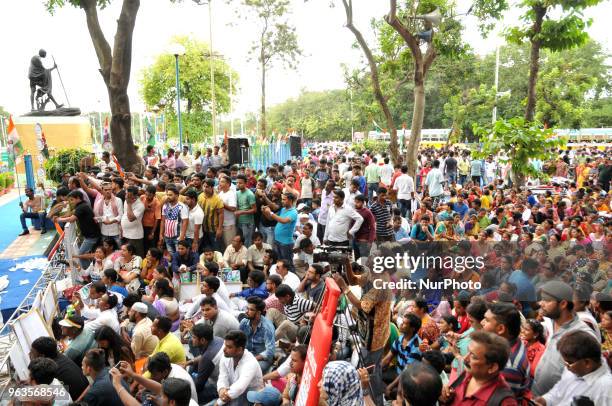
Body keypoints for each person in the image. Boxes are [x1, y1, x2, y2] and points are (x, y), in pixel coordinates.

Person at [533, 281, 596, 396]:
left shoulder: (581, 336)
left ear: (563, 304)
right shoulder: (553, 321)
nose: (540, 303)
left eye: (546, 300)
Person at [534, 330, 612, 406]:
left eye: (569, 363)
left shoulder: (606, 389)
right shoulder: (572, 370)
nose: (566, 366)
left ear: (587, 363)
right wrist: (545, 401)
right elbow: (558, 393)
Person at [441, 331, 518, 406]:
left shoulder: (504, 402)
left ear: (492, 367)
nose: (465, 358)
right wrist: (447, 398)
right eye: (468, 352)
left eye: (473, 356)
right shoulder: (468, 374)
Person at [481, 302, 531, 399]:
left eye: (486, 320)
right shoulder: (510, 342)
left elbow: (497, 400)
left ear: (500, 329)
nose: (482, 322)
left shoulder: (508, 366)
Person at [119, 352, 198, 405]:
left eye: (163, 396)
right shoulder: (170, 368)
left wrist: (118, 386)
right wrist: (132, 374)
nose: (152, 377)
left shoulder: (176, 379)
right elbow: (160, 388)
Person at [30, 336, 89, 401]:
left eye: (32, 353)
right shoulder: (61, 357)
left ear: (41, 356)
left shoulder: (50, 370)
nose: (30, 355)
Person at [217, 330, 265, 405]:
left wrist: (219, 403)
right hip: (231, 392)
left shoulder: (250, 363)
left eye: (229, 347)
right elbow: (222, 377)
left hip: (249, 397)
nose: (224, 349)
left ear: (239, 349)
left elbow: (239, 387)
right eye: (225, 345)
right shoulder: (225, 356)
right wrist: (221, 389)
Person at [56, 190, 101, 269]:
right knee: (83, 254)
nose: (71, 202)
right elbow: (72, 215)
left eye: (72, 200)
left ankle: (87, 273)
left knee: (81, 254)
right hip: (90, 235)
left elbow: (72, 219)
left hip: (91, 236)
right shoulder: (83, 205)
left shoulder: (81, 207)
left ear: (78, 198)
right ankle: (89, 270)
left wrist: (59, 219)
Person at [188, 323, 224, 404]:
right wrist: (189, 362)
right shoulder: (218, 339)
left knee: (189, 396)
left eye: (194, 337)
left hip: (220, 387)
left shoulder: (207, 358)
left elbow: (198, 386)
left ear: (203, 340)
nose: (191, 339)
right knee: (193, 365)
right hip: (221, 376)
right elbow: (203, 356)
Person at [262, 192, 298, 271]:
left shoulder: (294, 212)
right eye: (282, 199)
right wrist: (265, 212)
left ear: (290, 200)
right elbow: (271, 218)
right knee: (280, 262)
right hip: (277, 240)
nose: (282, 201)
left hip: (286, 243)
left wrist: (270, 212)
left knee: (288, 264)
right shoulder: (283, 209)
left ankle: (292, 280)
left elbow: (283, 221)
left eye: (284, 199)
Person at [240, 296, 276, 373]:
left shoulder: (267, 327)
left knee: (251, 370)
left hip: (262, 358)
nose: (246, 311)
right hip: (247, 355)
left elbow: (270, 351)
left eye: (251, 310)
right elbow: (238, 340)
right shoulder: (244, 322)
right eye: (247, 308)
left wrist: (252, 359)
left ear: (259, 312)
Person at [159, 185, 189, 254]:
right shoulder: (165, 206)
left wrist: (182, 236)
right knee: (171, 255)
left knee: (178, 256)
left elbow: (185, 222)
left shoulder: (181, 207)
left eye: (170, 195)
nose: (168, 197)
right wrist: (161, 234)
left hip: (177, 238)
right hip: (167, 237)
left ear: (177, 195)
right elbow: (163, 221)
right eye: (167, 195)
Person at [121, 186, 145, 257]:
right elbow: (125, 215)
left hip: (135, 236)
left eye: (129, 195)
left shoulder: (140, 205)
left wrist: (129, 204)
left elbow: (130, 218)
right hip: (126, 234)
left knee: (137, 256)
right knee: (128, 256)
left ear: (135, 195)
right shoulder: (126, 200)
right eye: (126, 194)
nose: (127, 196)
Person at [235, 174, 257, 247]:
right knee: (241, 241)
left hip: (248, 223)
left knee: (247, 242)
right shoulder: (237, 193)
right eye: (237, 183)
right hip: (239, 221)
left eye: (240, 183)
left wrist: (242, 212)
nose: (238, 184)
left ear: (246, 183)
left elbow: (254, 210)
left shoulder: (250, 194)